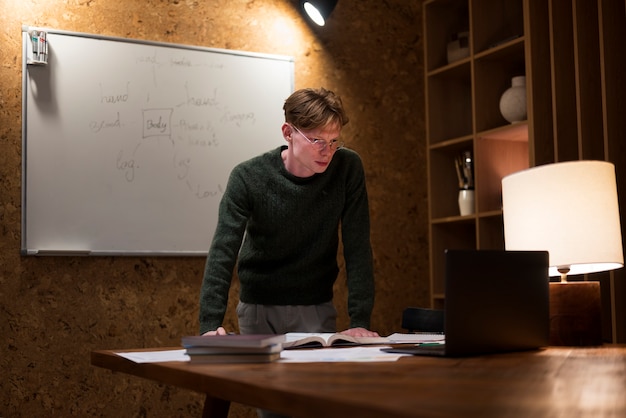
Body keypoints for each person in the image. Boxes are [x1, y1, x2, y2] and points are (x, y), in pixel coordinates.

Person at [198, 87, 379, 341]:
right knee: (261, 381)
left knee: (312, 381)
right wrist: (209, 323)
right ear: (288, 133)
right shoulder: (248, 177)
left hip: (316, 306)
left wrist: (359, 321)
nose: (327, 151)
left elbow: (357, 245)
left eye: (334, 141)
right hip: (258, 308)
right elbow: (223, 251)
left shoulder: (347, 168)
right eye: (317, 141)